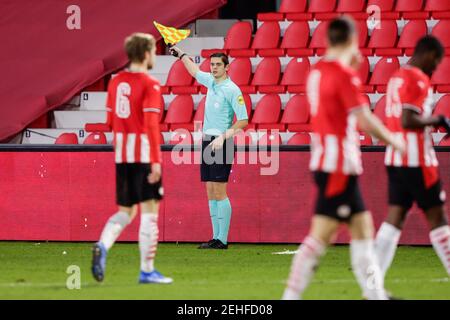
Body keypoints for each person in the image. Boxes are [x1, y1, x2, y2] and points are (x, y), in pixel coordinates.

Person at [282, 17, 406, 300]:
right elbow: (363, 119)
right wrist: (394, 140)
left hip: (328, 161)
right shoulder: (343, 74)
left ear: (328, 40)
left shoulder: (317, 72)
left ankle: (375, 295)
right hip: (338, 165)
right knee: (319, 237)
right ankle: (290, 296)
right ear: (352, 40)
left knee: (363, 229)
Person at [91, 33, 172, 284]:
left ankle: (103, 245)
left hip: (122, 155)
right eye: (153, 51)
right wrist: (156, 161)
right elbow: (150, 125)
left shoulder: (115, 83)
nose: (155, 56)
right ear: (146, 53)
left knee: (126, 212)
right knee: (150, 212)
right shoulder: (150, 84)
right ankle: (147, 270)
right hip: (144, 154)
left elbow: (109, 122)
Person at [375, 35, 450, 281]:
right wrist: (438, 120)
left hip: (395, 158)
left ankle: (371, 284)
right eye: (436, 61)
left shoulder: (397, 77)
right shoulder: (418, 79)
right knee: (438, 217)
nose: (435, 67)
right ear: (429, 54)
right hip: (416, 161)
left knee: (394, 218)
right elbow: (408, 119)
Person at [168, 46, 248, 249]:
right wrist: (182, 54)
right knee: (210, 191)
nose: (213, 68)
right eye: (212, 64)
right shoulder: (211, 82)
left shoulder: (232, 89)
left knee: (220, 191)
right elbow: (194, 71)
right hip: (207, 141)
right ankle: (215, 237)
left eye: (218, 65)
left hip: (223, 142)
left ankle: (223, 239)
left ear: (227, 67)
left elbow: (243, 121)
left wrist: (223, 137)